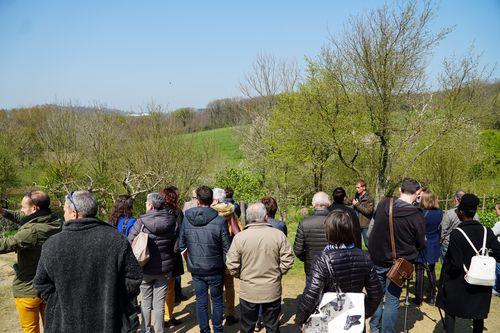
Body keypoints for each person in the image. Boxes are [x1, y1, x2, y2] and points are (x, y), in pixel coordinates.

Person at [34, 190, 142, 333]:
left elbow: (40, 284)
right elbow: (134, 278)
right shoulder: (116, 239)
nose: (64, 214)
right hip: (109, 322)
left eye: (65, 210)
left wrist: (112, 295)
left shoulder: (52, 244)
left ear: (74, 213)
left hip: (67, 324)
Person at [296, 210, 383, 329]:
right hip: (352, 324)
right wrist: (364, 312)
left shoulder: (322, 259)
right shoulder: (365, 257)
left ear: (328, 231)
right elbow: (376, 293)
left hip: (328, 322)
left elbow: (311, 295)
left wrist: (301, 319)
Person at [368, 178, 426, 333]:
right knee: (392, 299)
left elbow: (374, 228)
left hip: (378, 258)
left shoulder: (383, 204)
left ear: (400, 190)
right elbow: (421, 244)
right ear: (417, 194)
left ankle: (374, 329)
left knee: (377, 297)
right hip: (399, 263)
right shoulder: (417, 215)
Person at [437, 194, 500, 333]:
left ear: (461, 212)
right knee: (478, 315)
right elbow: (498, 253)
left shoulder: (457, 234)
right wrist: (486, 260)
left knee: (450, 310)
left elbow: (456, 263)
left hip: (460, 282)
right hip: (481, 283)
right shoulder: (487, 232)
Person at [226, 203, 294, 333]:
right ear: (266, 217)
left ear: (249, 218)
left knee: (247, 327)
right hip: (271, 289)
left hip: (249, 290)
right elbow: (288, 260)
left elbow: (232, 264)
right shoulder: (278, 235)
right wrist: (278, 273)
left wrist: (241, 276)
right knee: (272, 327)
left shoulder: (240, 237)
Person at [0, 191, 62, 333]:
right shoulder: (55, 221)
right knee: (52, 328)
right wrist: (3, 211)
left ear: (34, 209)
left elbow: (5, 244)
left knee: (30, 330)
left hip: (28, 290)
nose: (21, 211)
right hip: (50, 287)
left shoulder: (31, 232)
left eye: (22, 207)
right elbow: (23, 216)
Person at [179, 186, 231, 333]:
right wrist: (226, 265)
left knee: (201, 301)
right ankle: (218, 330)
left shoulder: (187, 218)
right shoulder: (219, 220)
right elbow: (226, 246)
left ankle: (204, 330)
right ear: (211, 200)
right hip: (215, 267)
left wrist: (189, 260)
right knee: (217, 300)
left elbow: (181, 244)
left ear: (198, 200)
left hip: (197, 268)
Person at [128, 192, 179, 333]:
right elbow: (176, 245)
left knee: (145, 301)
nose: (145, 204)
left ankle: (145, 330)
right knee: (159, 303)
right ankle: (159, 331)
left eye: (146, 202)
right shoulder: (172, 220)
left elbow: (130, 240)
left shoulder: (141, 221)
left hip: (145, 267)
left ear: (150, 205)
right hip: (164, 268)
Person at [108, 194, 140, 332]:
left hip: (112, 264)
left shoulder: (110, 222)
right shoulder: (133, 222)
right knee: (131, 302)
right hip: (128, 263)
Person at [211, 187, 242, 325]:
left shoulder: (210, 213)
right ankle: (230, 314)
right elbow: (238, 232)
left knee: (215, 288)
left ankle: (216, 315)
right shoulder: (231, 211)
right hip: (229, 253)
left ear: (215, 199)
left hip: (213, 254)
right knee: (229, 286)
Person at [160, 187, 185, 328]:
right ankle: (168, 316)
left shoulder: (155, 211)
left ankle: (161, 317)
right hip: (173, 254)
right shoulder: (177, 212)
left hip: (158, 254)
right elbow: (182, 233)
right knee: (170, 288)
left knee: (158, 288)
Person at [413, 190, 442, 305]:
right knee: (431, 271)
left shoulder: (421, 213)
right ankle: (432, 296)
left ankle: (418, 298)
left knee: (419, 271)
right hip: (433, 244)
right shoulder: (439, 212)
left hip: (422, 244)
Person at [293, 191, 331, 277]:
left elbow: (298, 250)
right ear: (328, 204)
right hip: (332, 265)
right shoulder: (336, 222)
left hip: (312, 267)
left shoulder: (304, 223)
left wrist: (308, 259)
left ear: (313, 204)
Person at [441, 190, 479, 260]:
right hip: (468, 242)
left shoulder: (449, 213)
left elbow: (443, 230)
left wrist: (442, 241)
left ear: (456, 199)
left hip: (449, 243)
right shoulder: (474, 214)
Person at [351, 179, 374, 248]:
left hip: (365, 225)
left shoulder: (369, 198)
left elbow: (368, 211)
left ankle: (372, 258)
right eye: (356, 187)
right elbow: (349, 200)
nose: (356, 189)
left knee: (368, 244)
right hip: (356, 224)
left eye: (358, 187)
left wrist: (357, 204)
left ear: (363, 187)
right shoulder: (356, 195)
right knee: (356, 245)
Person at [492, 202, 500, 296]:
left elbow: (492, 233)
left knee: (497, 267)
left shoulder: (499, 223)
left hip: (498, 248)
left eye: (496, 209)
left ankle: (497, 288)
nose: (495, 211)